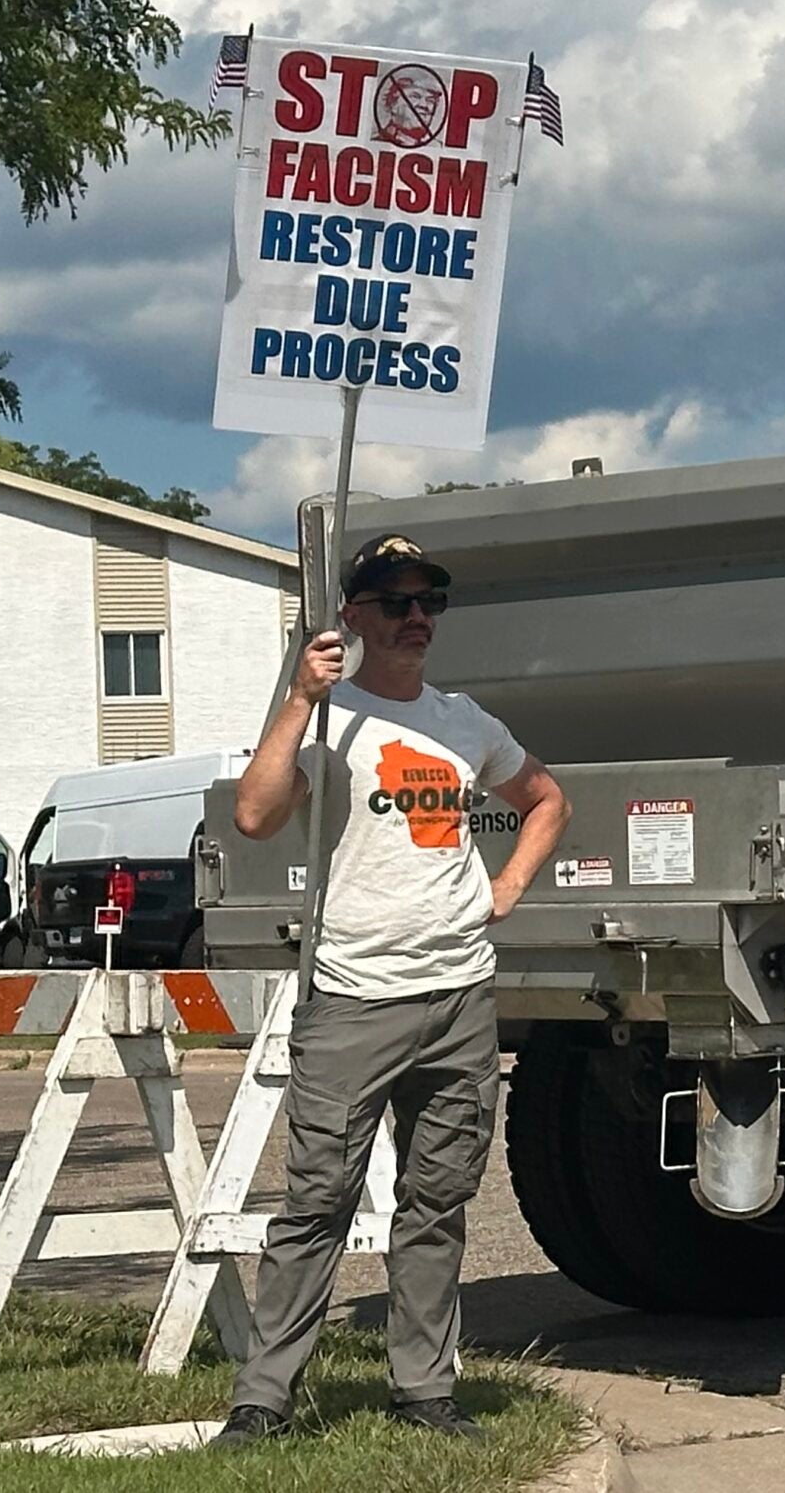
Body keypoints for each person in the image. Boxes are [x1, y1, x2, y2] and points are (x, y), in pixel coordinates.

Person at [213, 533, 569, 1447]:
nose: (418, 620)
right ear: (355, 616)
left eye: (431, 603)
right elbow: (255, 817)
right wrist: (298, 697)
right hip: (355, 994)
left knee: (437, 1203)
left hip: (458, 994)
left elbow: (546, 799)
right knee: (317, 1202)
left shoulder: (461, 720)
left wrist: (506, 890)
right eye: (397, 602)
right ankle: (264, 1401)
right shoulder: (331, 718)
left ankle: (425, 1393)